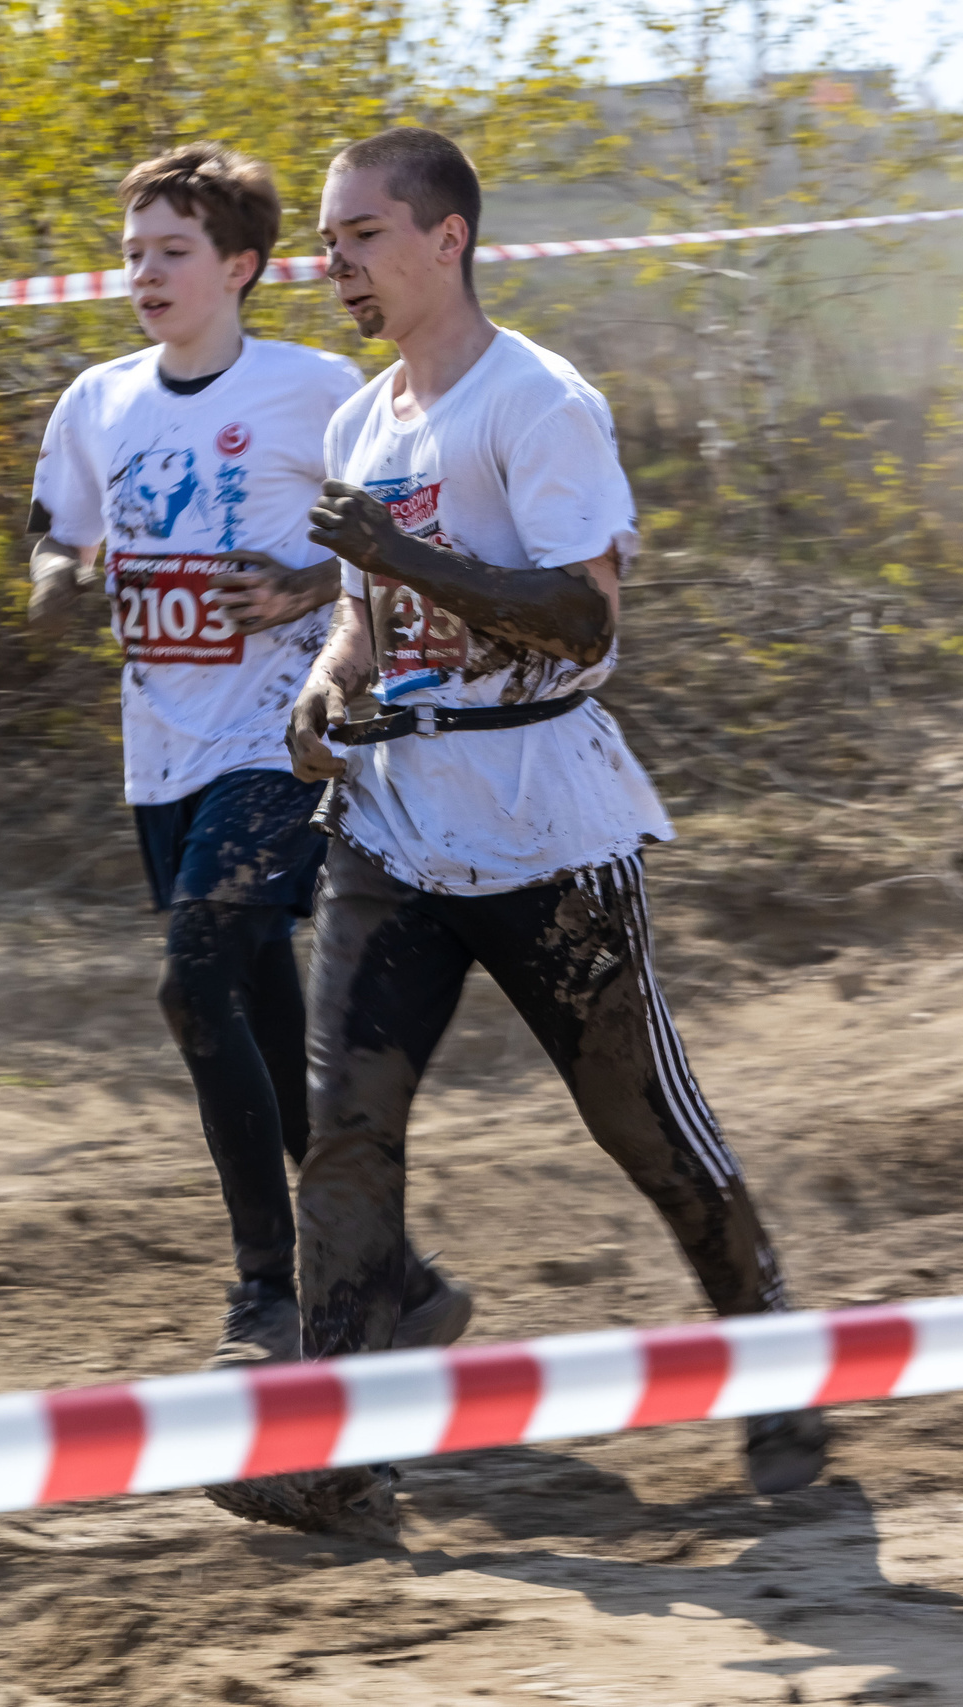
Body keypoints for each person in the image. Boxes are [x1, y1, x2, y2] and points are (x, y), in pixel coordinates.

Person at [252, 125, 827, 1538]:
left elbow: (583, 616)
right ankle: (334, 1443)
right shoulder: (360, 419)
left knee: (644, 1126)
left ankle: (773, 1358)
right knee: (344, 1137)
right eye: (329, 240)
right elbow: (360, 616)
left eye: (362, 235)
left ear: (445, 237)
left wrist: (404, 556)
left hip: (544, 829)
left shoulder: (539, 401)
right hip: (391, 828)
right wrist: (330, 684)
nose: (336, 263)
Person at [27, 143, 471, 1369]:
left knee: (191, 981)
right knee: (259, 1026)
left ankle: (265, 1295)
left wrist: (302, 586)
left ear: (239, 267)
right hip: (158, 752)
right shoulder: (96, 402)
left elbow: (409, 534)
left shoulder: (312, 389)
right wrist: (64, 582)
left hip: (282, 737)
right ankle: (405, 1284)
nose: (144, 275)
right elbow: (45, 554)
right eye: (131, 254)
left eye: (171, 252)